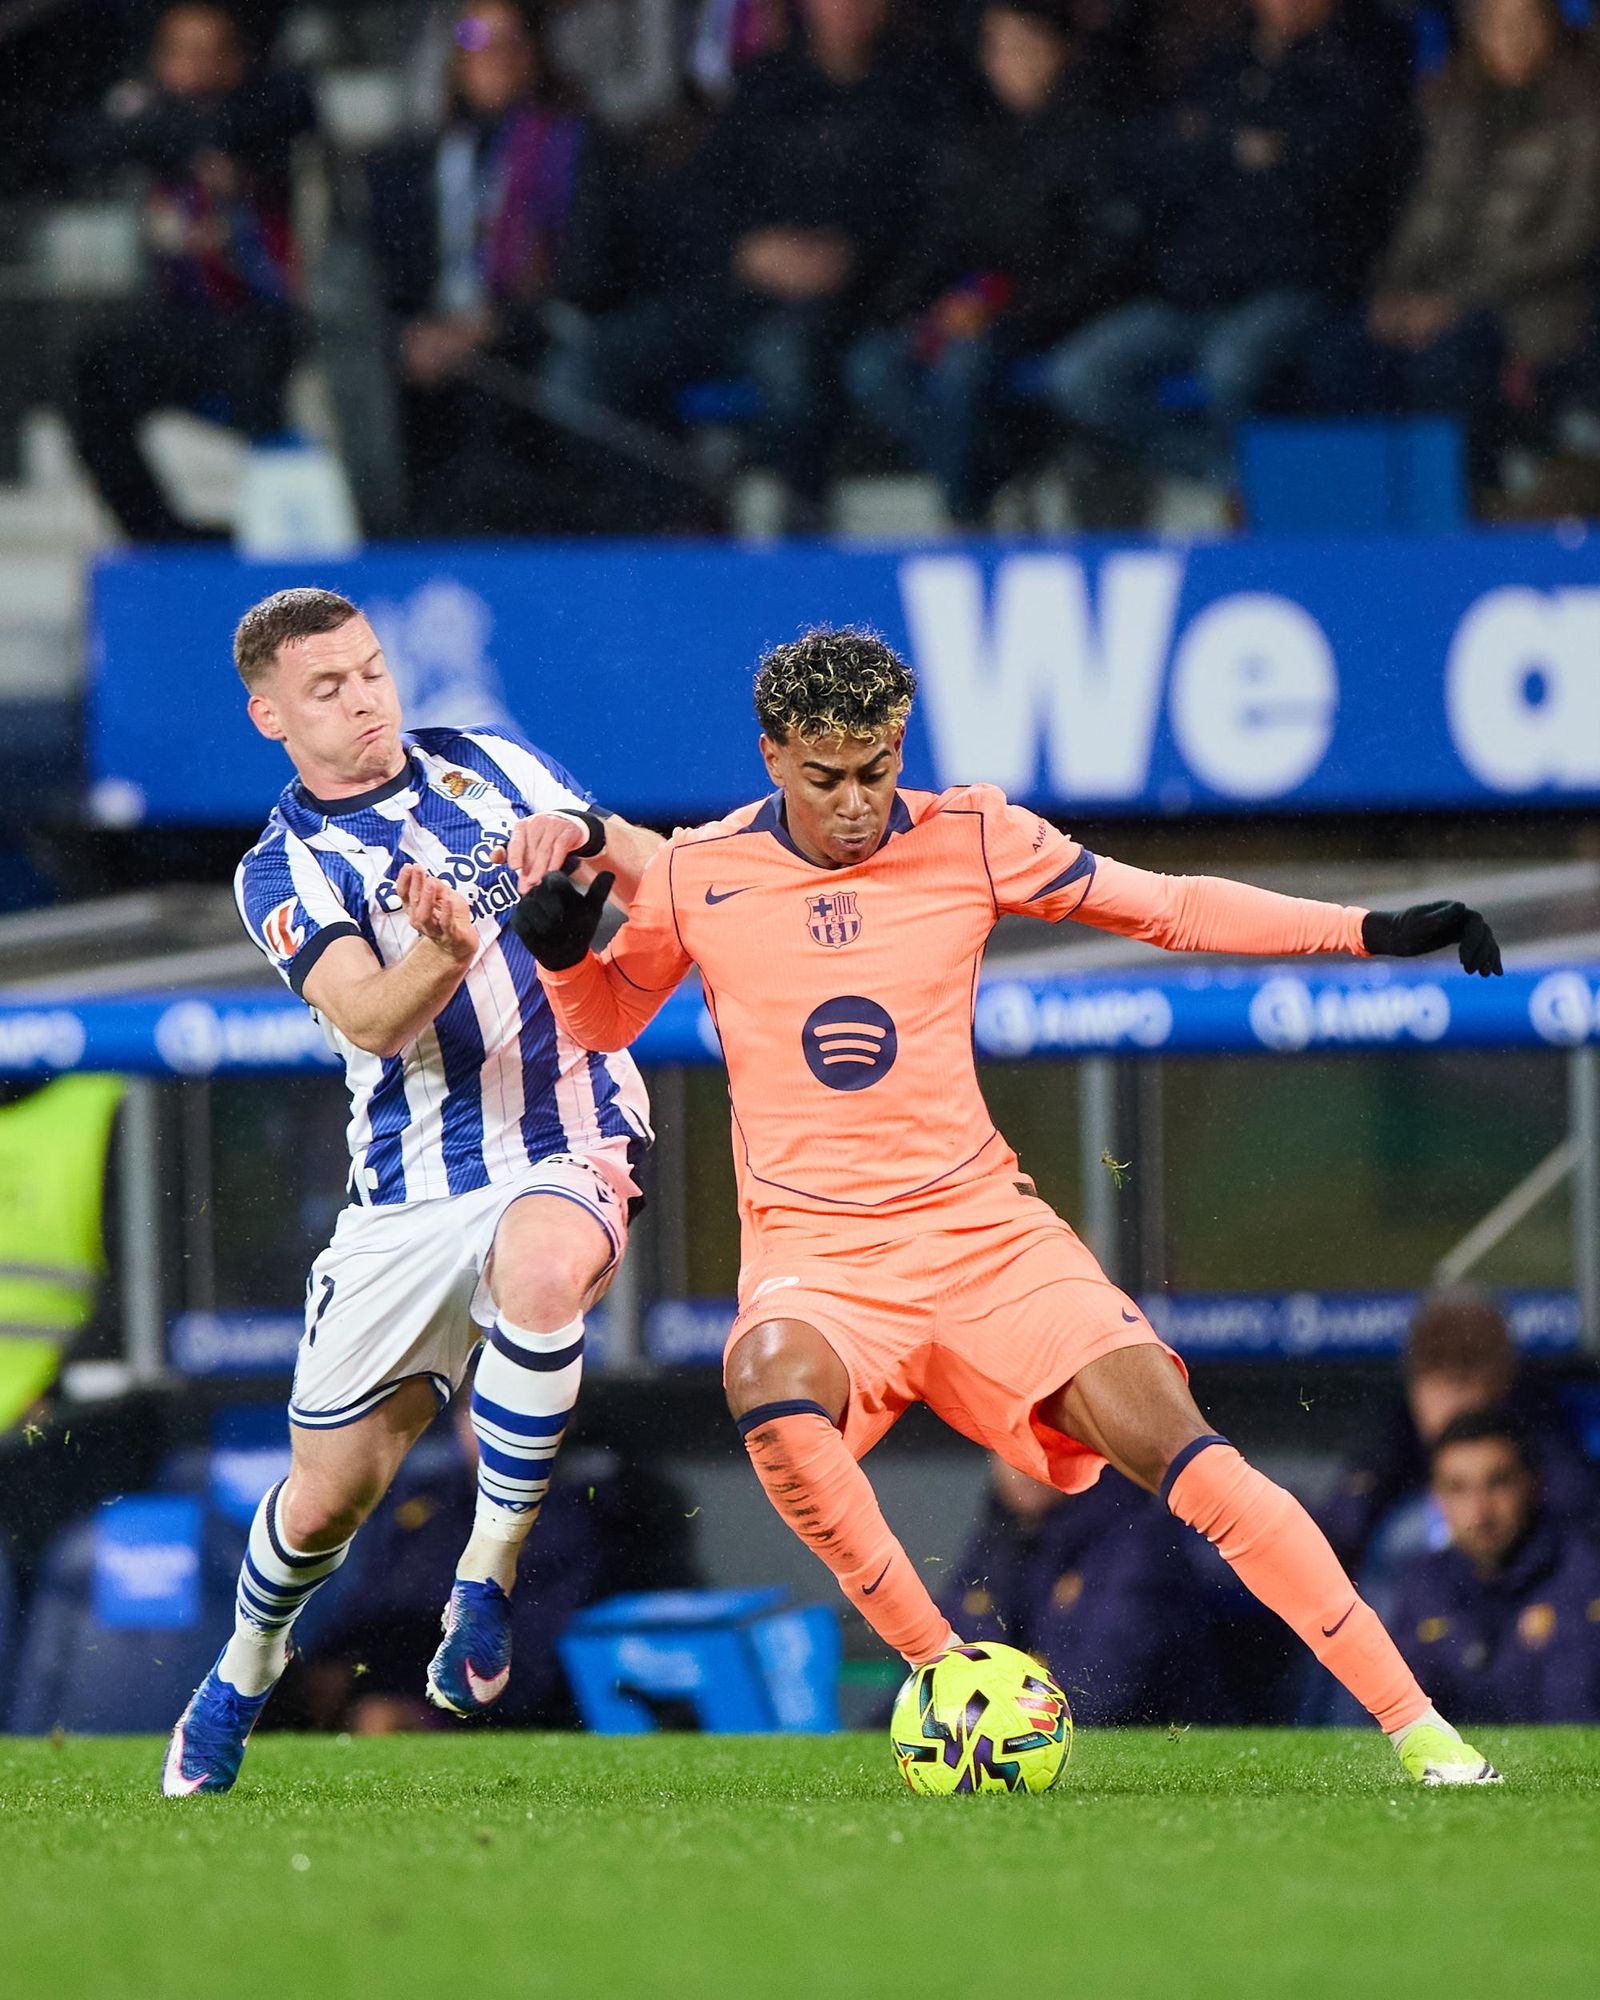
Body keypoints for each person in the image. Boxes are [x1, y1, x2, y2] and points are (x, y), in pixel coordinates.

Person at [519, 625, 1506, 1785]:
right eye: (826, 775)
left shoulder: (973, 833)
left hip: (987, 1237)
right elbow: (600, 1023)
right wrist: (563, 961)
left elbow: (1169, 907)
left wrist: (1367, 931)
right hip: (823, 1260)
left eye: (878, 769)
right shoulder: (697, 872)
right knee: (768, 1385)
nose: (855, 801)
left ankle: (1422, 1734)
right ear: (772, 754)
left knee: (1196, 1460)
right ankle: (945, 1676)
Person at [161, 586, 661, 1796]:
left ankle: (481, 1587)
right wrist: (440, 950)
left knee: (544, 1275)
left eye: (373, 671)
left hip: (570, 1126)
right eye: (328, 688)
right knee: (328, 1497)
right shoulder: (281, 865)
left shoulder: (487, 760)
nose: (366, 699)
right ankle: (241, 1668)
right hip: (407, 1186)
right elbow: (372, 1021)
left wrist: (592, 862)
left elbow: (642, 864)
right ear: (269, 715)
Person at [546, 0, 947, 528]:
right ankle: (685, 517)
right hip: (731, 297)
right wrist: (745, 250)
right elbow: (702, 200)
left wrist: (854, 261)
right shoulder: (766, 84)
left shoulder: (922, 91)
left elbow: (938, 217)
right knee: (580, 374)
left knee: (789, 368)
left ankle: (799, 541)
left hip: (848, 310)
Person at [1041, 0, 1408, 489]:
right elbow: (1155, 161)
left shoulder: (1362, 63)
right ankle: (1227, 477)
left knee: (1229, 366)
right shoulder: (1222, 65)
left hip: (1299, 289)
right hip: (1197, 294)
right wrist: (1233, 152)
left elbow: (1332, 179)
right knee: (1079, 375)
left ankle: (1272, 491)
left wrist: (1226, 151)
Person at [843, 0, 1136, 523]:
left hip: (1040, 316)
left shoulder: (1094, 134)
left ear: (1059, 50)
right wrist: (922, 307)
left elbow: (1101, 261)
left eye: (1025, 47)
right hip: (966, 310)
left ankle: (967, 514)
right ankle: (994, 478)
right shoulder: (975, 139)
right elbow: (939, 245)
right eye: (998, 49)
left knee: (963, 368)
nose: (1010, 62)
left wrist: (1013, 307)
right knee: (872, 364)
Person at [61, 2, 316, 541]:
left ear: (239, 60)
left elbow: (273, 117)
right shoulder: (155, 127)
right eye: (184, 53)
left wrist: (174, 129)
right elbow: (82, 143)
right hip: (183, 320)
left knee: (260, 386)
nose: (198, 68)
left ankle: (287, 539)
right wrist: (162, 127)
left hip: (263, 318)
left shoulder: (271, 114)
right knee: (92, 372)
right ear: (160, 61)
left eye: (212, 53)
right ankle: (160, 535)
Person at [1304, 0, 1600, 448]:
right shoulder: (1451, 111)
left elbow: (1565, 241)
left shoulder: (1583, 115)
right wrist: (1396, 292)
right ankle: (1368, 502)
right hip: (1442, 300)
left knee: (1447, 363)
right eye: (1500, 26)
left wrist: (1454, 303)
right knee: (1340, 355)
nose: (1514, 40)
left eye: (1526, 25)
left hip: (1530, 306)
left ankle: (1460, 496)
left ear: (1552, 29)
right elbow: (1424, 216)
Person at [365, 0, 609, 534]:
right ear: (452, 57)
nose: (495, 55)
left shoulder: (571, 144)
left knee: (496, 401)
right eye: (476, 39)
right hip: (433, 342)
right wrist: (415, 334)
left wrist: (483, 327)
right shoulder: (419, 159)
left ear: (535, 53)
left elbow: (586, 270)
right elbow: (395, 276)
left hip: (527, 333)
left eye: (511, 39)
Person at [1321, 1288, 1597, 1574]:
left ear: (1504, 1378)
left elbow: (1576, 1515)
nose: (1453, 1394)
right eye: (1434, 1371)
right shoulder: (1397, 1429)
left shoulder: (1534, 1427)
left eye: (1468, 1370)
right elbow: (1342, 1527)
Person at [940, 1453, 1227, 1725]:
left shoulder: (1135, 1536)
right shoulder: (1001, 1534)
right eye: (1007, 1448)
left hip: (1163, 1739)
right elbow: (947, 1652)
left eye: (1042, 1446)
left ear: (1080, 1450)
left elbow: (1100, 1693)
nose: (1024, 1464)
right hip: (1022, 1730)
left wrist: (988, 1713)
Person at [1389, 1410, 1600, 1723]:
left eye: (1498, 1483)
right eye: (1457, 1488)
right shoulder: (1423, 1584)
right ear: (1437, 1499)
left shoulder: (1585, 1573)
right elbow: (1395, 1726)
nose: (1480, 1512)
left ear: (1534, 1482)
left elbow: (1577, 1713)